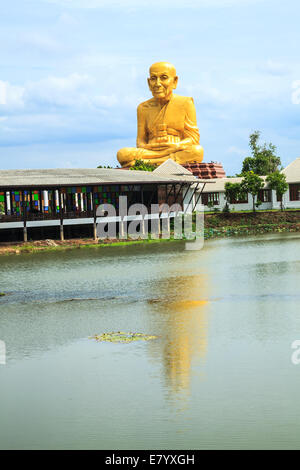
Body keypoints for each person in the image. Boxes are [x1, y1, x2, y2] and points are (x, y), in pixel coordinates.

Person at [117, 61, 204, 168]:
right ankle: (163, 160)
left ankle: (148, 163)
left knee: (197, 151)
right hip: (152, 151)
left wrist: (176, 146)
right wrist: (152, 148)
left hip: (176, 149)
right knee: (122, 154)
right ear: (149, 83)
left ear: (175, 81)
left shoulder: (185, 103)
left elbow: (194, 138)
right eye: (153, 79)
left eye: (163, 77)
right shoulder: (143, 108)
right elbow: (140, 141)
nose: (158, 84)